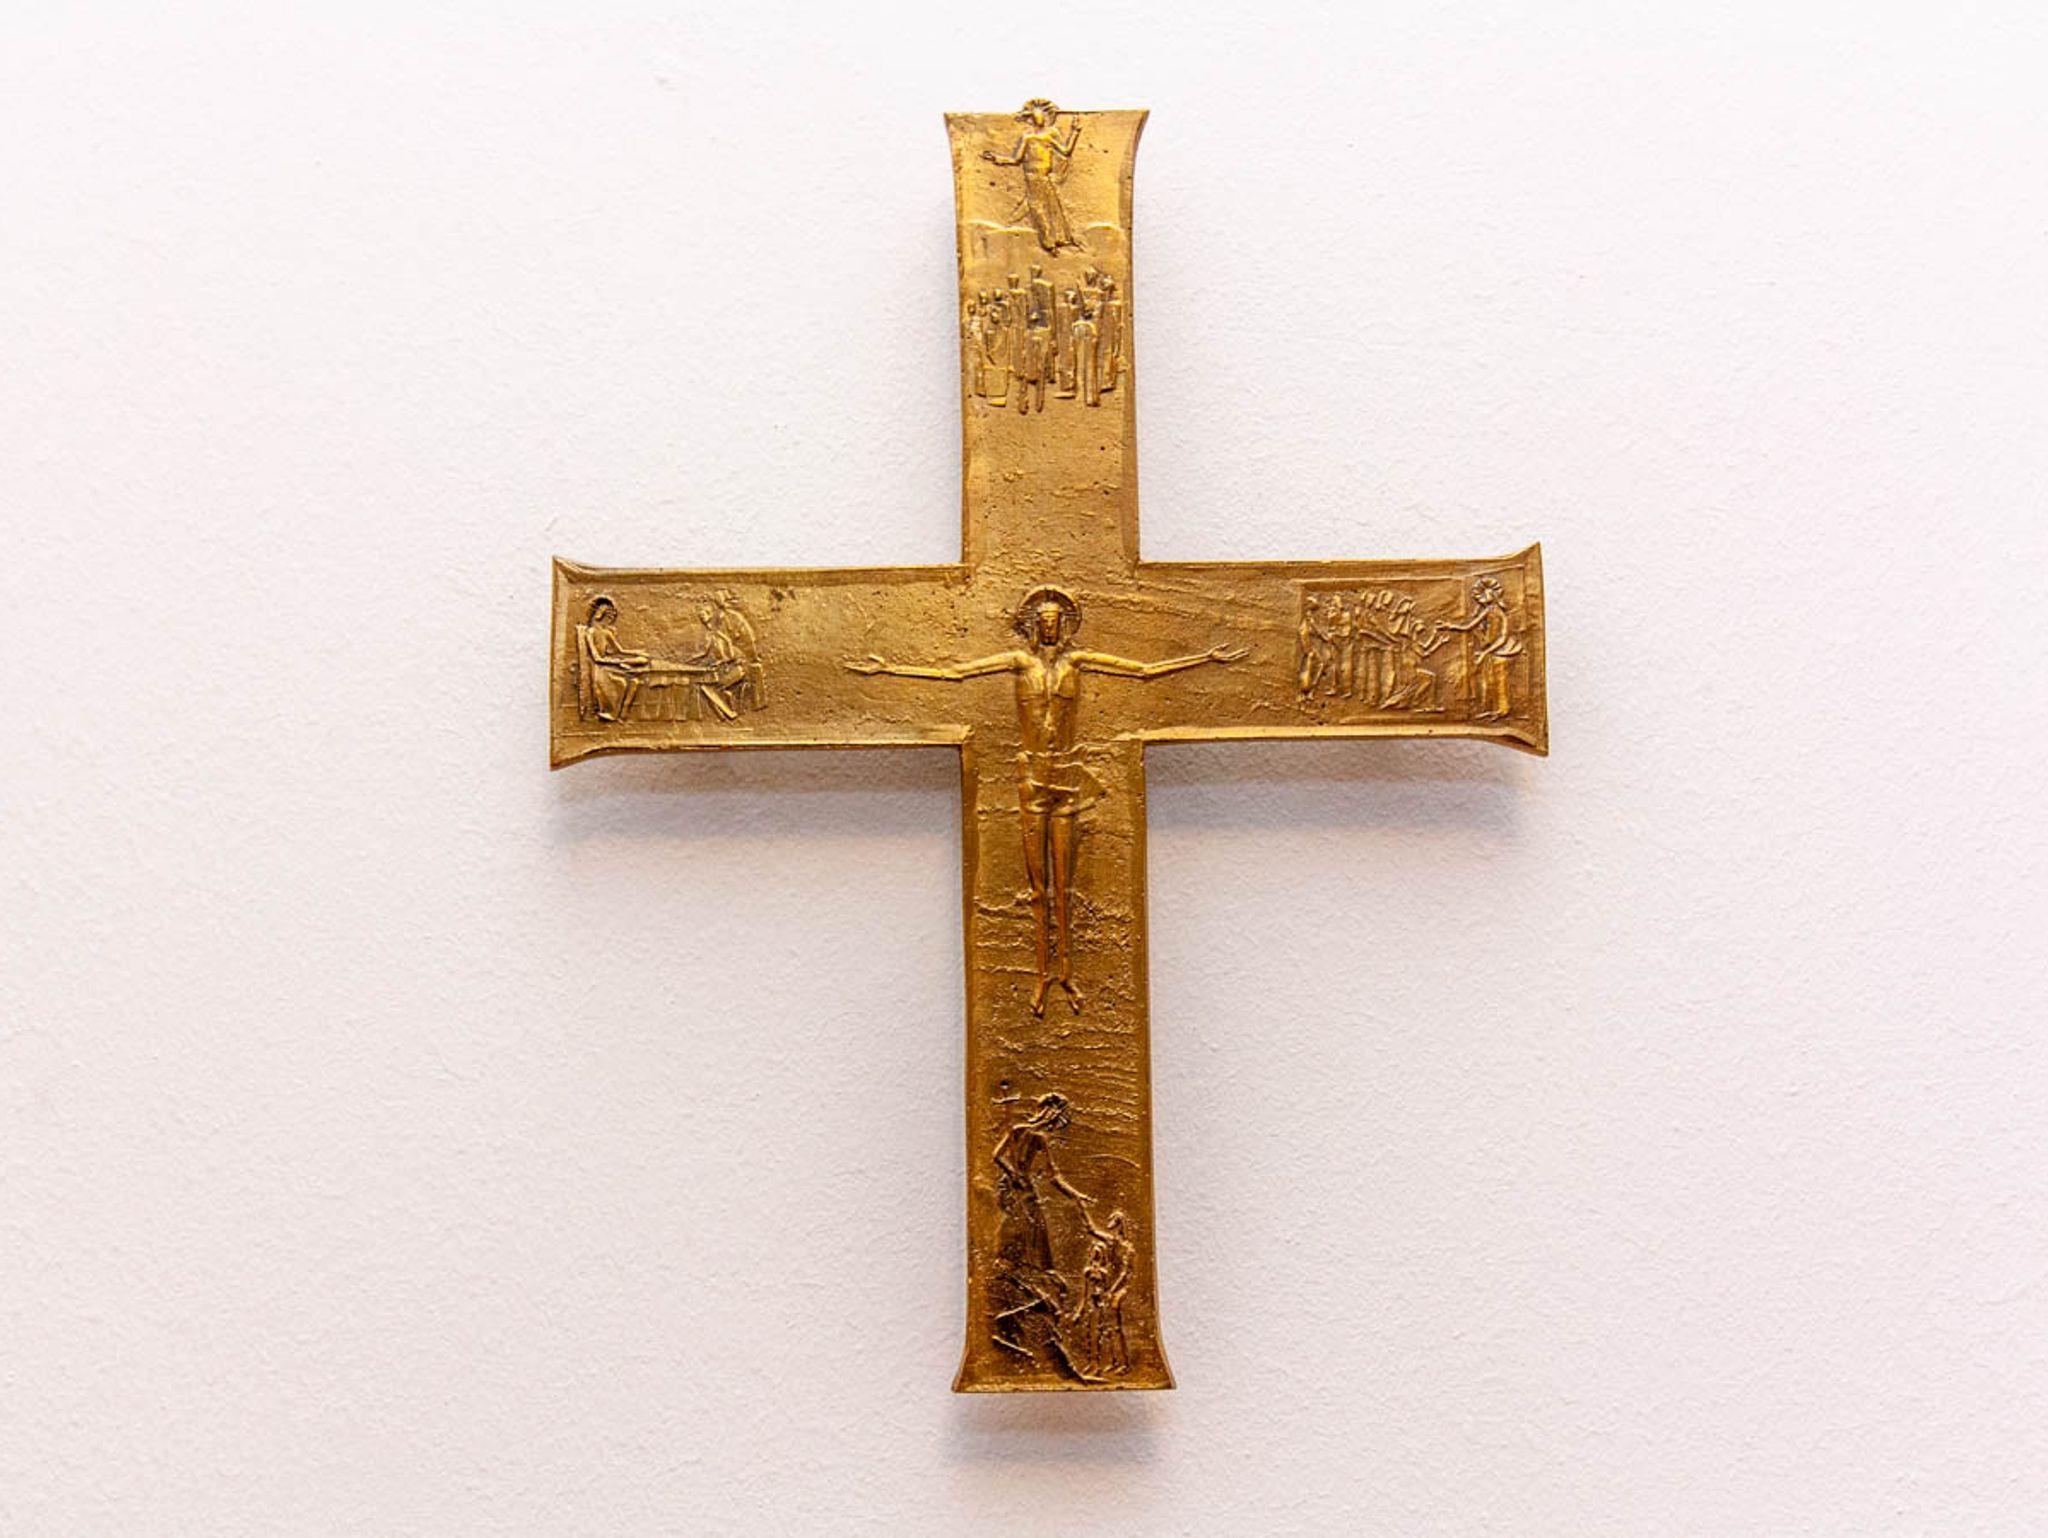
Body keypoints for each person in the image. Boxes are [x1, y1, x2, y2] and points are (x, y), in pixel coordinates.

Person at [848, 588, 1247, 1015]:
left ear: (1065, 625)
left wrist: (1205, 659)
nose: (1050, 625)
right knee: (1038, 887)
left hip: (1068, 776)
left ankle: (1067, 974)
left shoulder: (1077, 662)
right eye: (1044, 620)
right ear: (1034, 626)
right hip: (1033, 778)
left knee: (1064, 885)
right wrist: (890, 669)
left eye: (1056, 619)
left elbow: (1143, 671)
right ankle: (1041, 976)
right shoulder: (1018, 663)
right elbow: (956, 673)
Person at [981, 100, 1083, 253]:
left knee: (1052, 208)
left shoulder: (1049, 137)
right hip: (1032, 178)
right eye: (1035, 116)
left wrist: (1075, 132)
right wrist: (997, 158)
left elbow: (1066, 151)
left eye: (1041, 115)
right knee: (1038, 208)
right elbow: (1016, 159)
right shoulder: (1027, 138)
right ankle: (1049, 244)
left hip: (1044, 177)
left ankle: (1060, 240)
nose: (1039, 118)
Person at [1421, 575, 1523, 720]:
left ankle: (1503, 711)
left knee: (1500, 682)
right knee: (1489, 681)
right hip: (1491, 652)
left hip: (1501, 652)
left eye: (1482, 595)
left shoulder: (1500, 614)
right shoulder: (1487, 611)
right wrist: (1449, 626)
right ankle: (1493, 710)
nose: (1479, 599)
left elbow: (1502, 638)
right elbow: (1469, 626)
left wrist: (1485, 652)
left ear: (1492, 594)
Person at [575, 595, 648, 722]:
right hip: (599, 668)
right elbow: (596, 658)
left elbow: (620, 650)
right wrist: (618, 662)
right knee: (622, 682)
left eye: (612, 619)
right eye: (608, 618)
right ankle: (610, 713)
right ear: (600, 616)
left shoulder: (607, 632)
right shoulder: (590, 632)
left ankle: (623, 714)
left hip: (608, 665)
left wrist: (636, 653)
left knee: (635, 681)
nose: (610, 621)